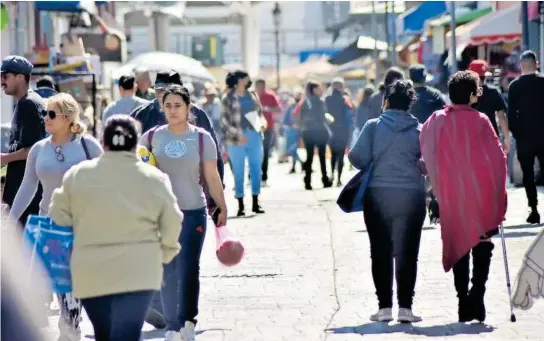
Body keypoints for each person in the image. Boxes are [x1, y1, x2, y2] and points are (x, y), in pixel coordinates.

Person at [48, 115, 183, 341]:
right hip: (140, 271)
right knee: (128, 333)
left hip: (91, 271)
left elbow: (57, 217)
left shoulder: (78, 174)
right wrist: (165, 254)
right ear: (135, 143)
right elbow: (173, 221)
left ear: (104, 142)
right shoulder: (154, 178)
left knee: (104, 333)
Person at [8, 92, 103, 341]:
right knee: (60, 282)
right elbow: (28, 187)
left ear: (68, 118)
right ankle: (69, 322)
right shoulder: (39, 149)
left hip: (83, 223)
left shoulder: (88, 146)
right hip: (49, 223)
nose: (45, 118)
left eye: (51, 114)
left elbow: (107, 180)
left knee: (75, 279)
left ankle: (70, 326)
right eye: (44, 114)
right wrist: (10, 220)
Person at [139, 86, 227, 341]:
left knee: (189, 268)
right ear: (162, 108)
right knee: (167, 269)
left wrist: (221, 206)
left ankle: (188, 321)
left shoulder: (201, 138)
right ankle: (172, 326)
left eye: (178, 105)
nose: (173, 110)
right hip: (160, 214)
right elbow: (139, 170)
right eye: (168, 106)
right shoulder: (151, 137)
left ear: (189, 108)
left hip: (193, 212)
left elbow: (212, 176)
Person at [420, 70, 507, 323]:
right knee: (482, 243)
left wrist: (434, 186)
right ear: (470, 94)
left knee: (459, 245)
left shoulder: (437, 120)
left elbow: (425, 148)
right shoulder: (481, 120)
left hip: (450, 194)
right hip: (481, 194)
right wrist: (499, 193)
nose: (479, 93)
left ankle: (462, 300)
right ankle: (477, 294)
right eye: (477, 89)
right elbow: (498, 157)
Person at [348, 80, 426, 323]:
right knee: (408, 253)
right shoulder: (420, 130)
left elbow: (356, 157)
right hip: (412, 196)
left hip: (378, 195)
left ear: (387, 101)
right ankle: (405, 308)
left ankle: (384, 308)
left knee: (379, 251)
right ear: (410, 104)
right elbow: (428, 164)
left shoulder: (373, 126)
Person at [1, 55, 46, 226]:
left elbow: (34, 149)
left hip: (28, 199)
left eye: (5, 76)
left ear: (21, 77)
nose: (1, 80)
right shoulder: (26, 102)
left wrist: (5, 158)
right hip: (25, 197)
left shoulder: (28, 104)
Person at [220, 70, 266, 216]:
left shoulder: (252, 95)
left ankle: (255, 201)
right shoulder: (227, 98)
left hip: (254, 134)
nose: (248, 78)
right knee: (238, 171)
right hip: (236, 138)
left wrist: (262, 124)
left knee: (256, 169)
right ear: (238, 80)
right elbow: (224, 120)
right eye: (245, 77)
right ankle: (240, 204)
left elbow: (260, 114)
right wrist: (238, 134)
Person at [508, 50, 544, 224]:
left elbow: (511, 115)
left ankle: (534, 209)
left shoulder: (515, 86)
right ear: (536, 64)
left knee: (528, 175)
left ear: (521, 66)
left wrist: (517, 133)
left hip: (525, 138)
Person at [297, 80, 333, 190]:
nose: (320, 90)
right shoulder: (320, 102)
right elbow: (322, 117)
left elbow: (300, 118)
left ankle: (307, 181)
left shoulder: (304, 102)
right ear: (313, 89)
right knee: (322, 157)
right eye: (318, 88)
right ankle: (325, 179)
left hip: (308, 132)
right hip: (320, 131)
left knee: (310, 156)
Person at [468, 60, 510, 154]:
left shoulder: (465, 93)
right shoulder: (493, 92)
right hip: (491, 137)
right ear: (486, 76)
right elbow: (501, 116)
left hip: (470, 139)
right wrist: (507, 138)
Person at [325, 78, 353, 186]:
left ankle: (332, 174)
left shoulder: (327, 99)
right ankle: (339, 179)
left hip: (331, 130)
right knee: (341, 155)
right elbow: (350, 115)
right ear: (341, 88)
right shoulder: (345, 99)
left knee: (333, 154)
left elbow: (324, 113)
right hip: (343, 130)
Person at [254, 79, 282, 186]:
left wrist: (267, 108)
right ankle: (252, 175)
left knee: (265, 152)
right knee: (254, 153)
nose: (260, 89)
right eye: (258, 87)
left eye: (262, 87)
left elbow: (278, 109)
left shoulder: (270, 96)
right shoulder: (251, 96)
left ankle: (264, 177)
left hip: (268, 129)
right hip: (254, 129)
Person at [282, 87, 303, 174]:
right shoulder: (291, 106)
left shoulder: (304, 105)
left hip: (300, 130)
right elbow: (286, 118)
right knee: (291, 149)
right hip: (291, 130)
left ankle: (300, 164)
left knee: (294, 148)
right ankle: (298, 164)